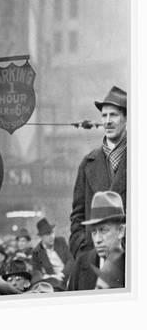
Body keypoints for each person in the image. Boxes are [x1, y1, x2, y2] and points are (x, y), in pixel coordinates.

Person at [69, 86, 127, 258]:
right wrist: (82, 250)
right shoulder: (88, 163)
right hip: (93, 260)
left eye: (114, 115)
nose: (108, 121)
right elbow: (77, 215)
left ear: (126, 118)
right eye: (104, 115)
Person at [67, 191, 126, 291]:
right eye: (93, 232)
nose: (97, 240)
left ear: (121, 231)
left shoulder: (136, 267)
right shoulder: (81, 264)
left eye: (103, 230)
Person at [31, 218, 74, 290]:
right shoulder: (37, 252)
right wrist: (52, 277)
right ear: (41, 236)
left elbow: (70, 260)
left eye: (52, 232)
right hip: (54, 283)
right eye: (48, 234)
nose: (52, 236)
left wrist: (62, 274)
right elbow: (36, 273)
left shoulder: (61, 241)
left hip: (68, 276)